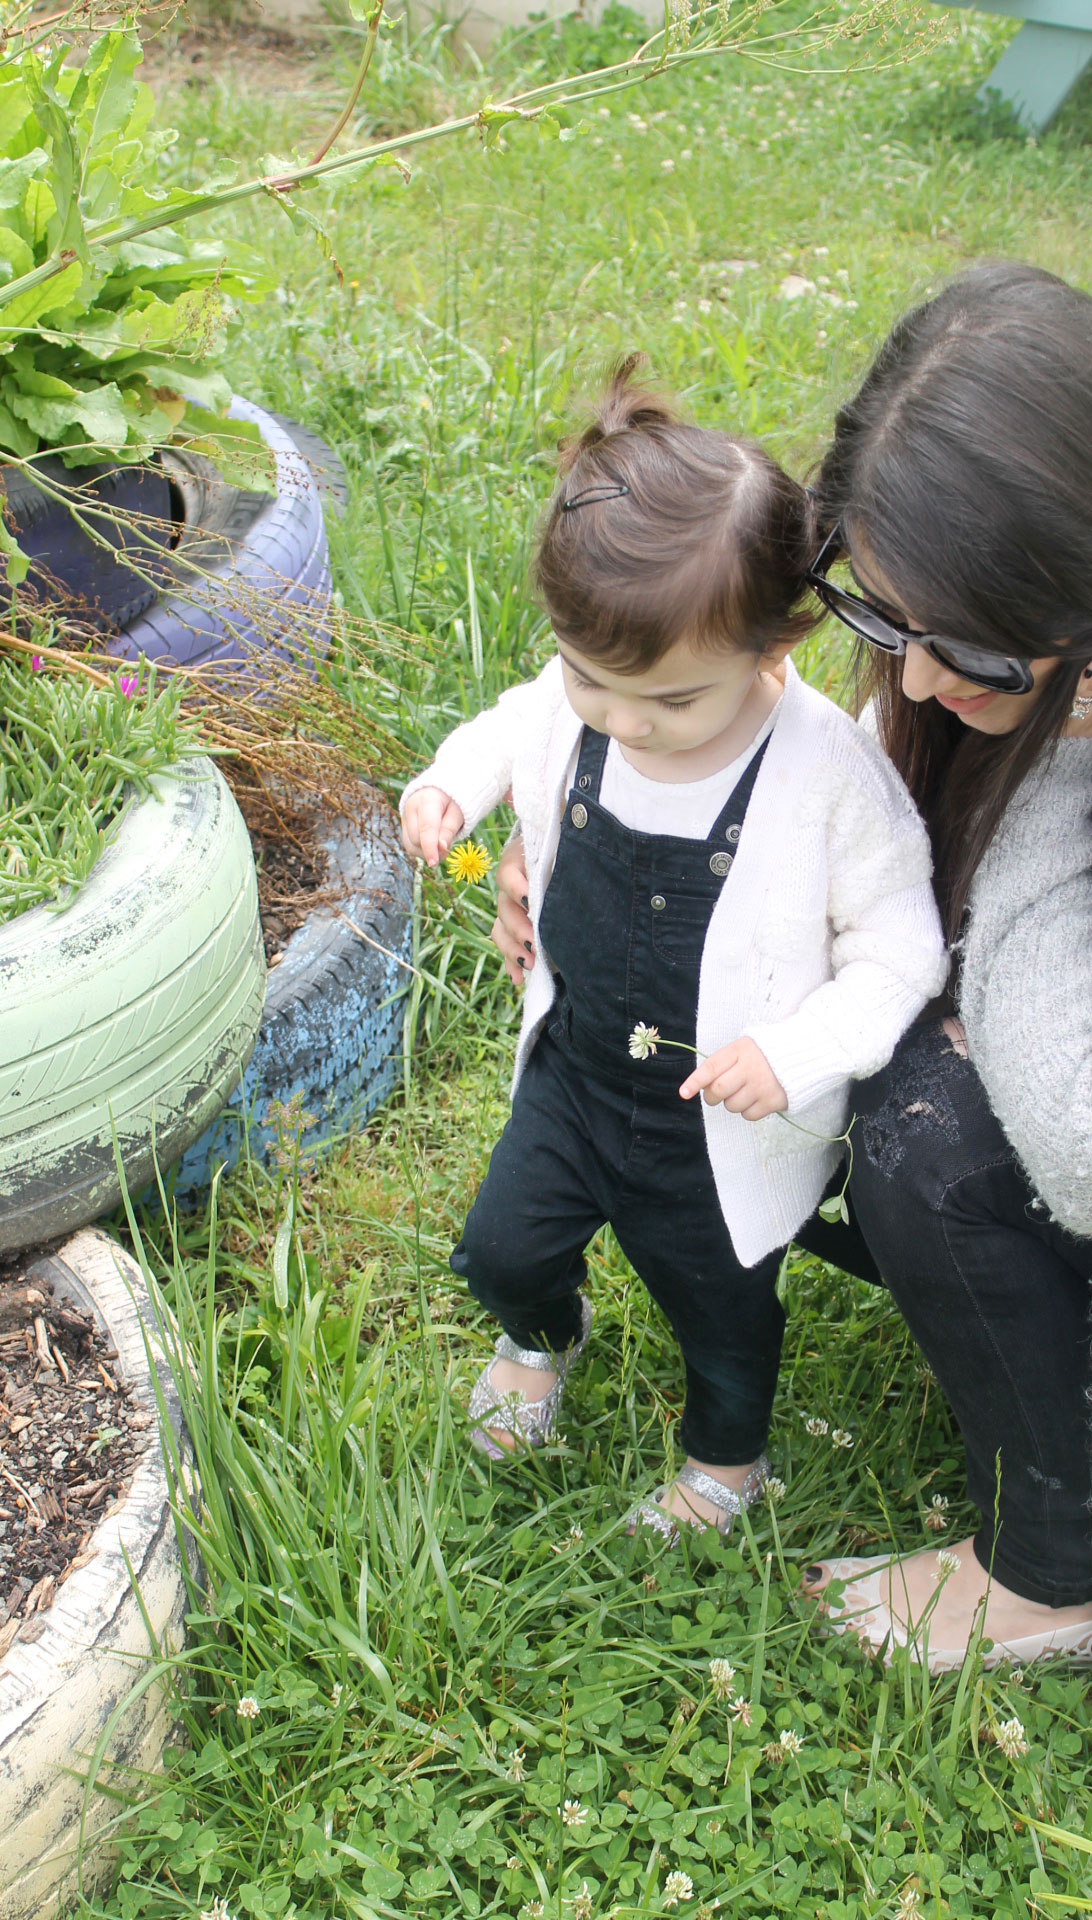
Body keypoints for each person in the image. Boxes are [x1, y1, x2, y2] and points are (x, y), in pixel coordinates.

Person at [490, 268, 1092, 1700]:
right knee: (866, 1037)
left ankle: (1055, 1569)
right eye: (879, 620)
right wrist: (575, 874)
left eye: (966, 650)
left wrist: (1068, 754)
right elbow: (853, 821)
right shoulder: (1064, 558)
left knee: (923, 1133)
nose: (911, 688)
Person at [400, 361, 946, 1541]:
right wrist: (449, 787)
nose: (622, 722)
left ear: (773, 646)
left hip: (722, 1120)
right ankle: (542, 1331)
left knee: (721, 1304)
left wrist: (796, 1053)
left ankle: (725, 1462)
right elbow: (509, 724)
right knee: (499, 1245)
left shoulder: (827, 779)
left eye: (670, 702)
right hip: (577, 1077)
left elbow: (901, 951)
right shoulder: (577, 701)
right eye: (591, 681)